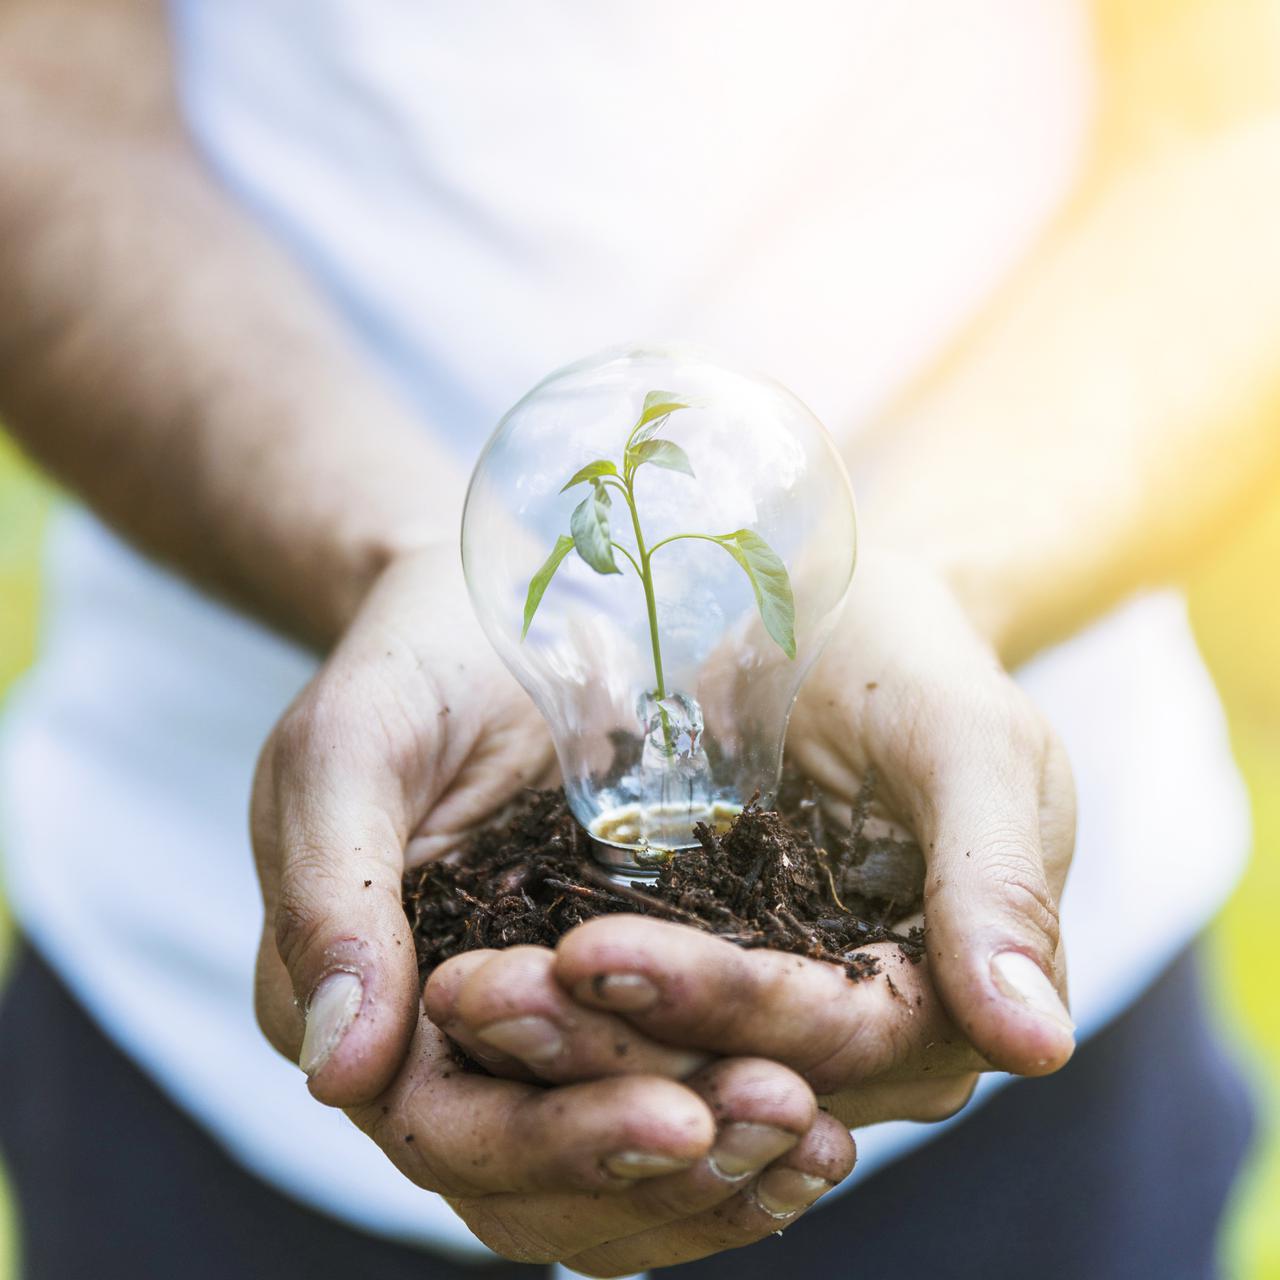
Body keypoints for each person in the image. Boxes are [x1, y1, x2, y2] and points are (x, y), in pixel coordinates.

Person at [0, 0, 1274, 1275]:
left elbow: (1237, 123)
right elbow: (34, 107)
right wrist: (385, 555)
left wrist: (933, 580)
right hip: (196, 992)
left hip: (1014, 994)